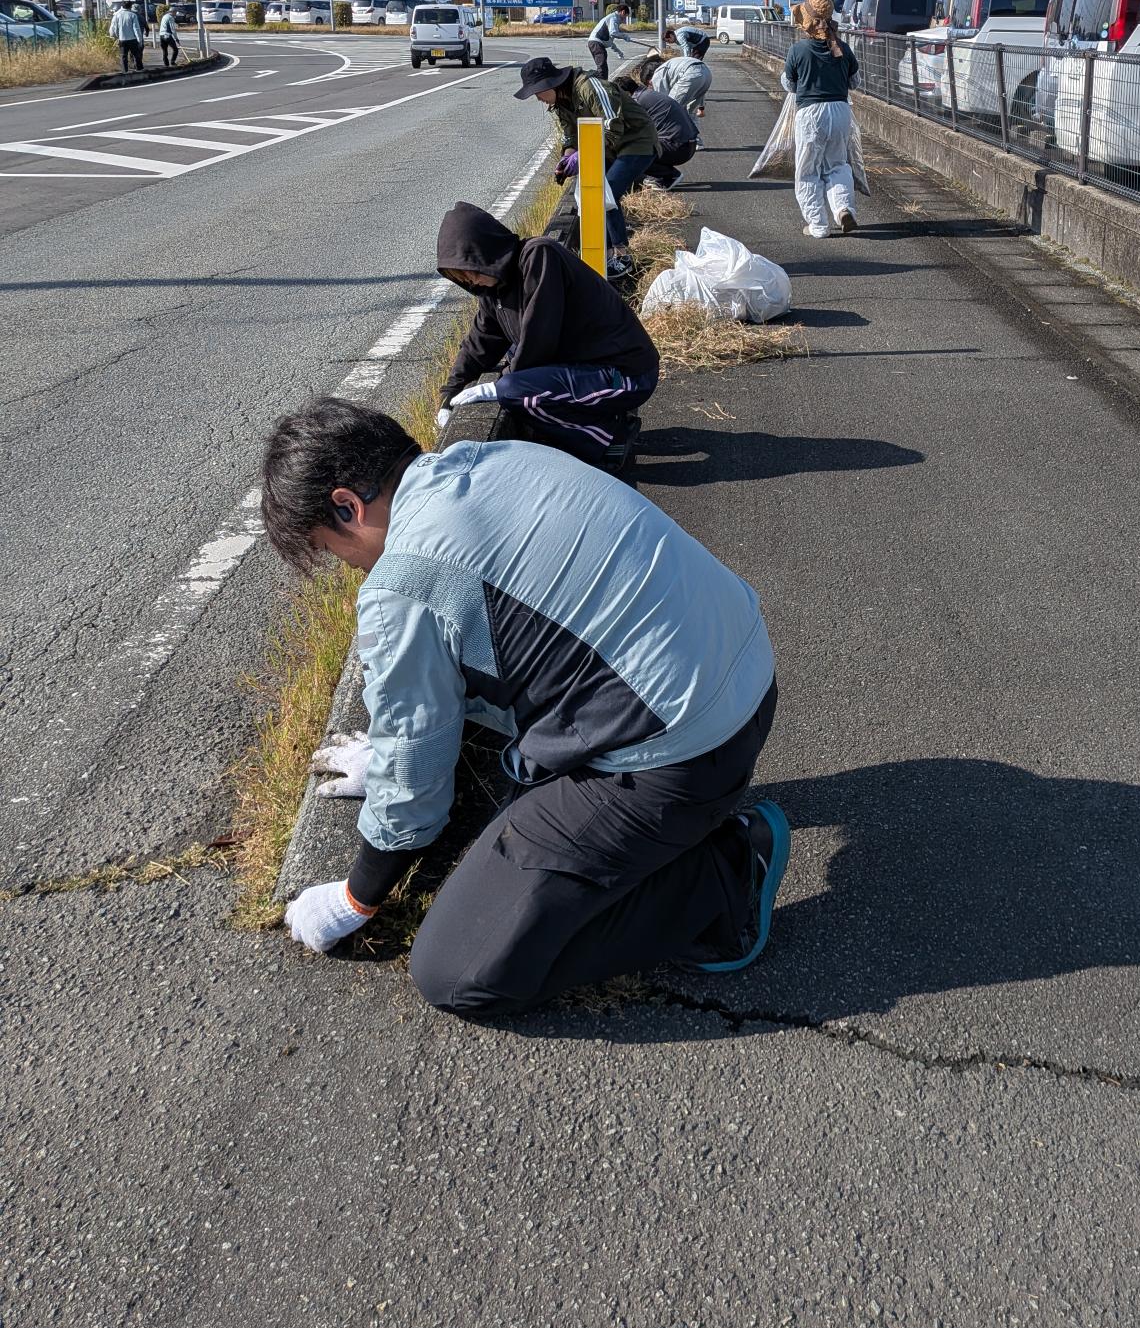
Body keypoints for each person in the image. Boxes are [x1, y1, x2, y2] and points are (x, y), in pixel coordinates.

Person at [264, 397, 791, 1018]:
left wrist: (356, 898)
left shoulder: (403, 580)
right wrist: (389, 754)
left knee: (457, 970)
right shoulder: (500, 457)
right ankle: (679, 833)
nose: (346, 566)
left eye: (331, 549)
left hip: (683, 754)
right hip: (747, 677)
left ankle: (722, 885)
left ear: (347, 506)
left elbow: (413, 790)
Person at [435, 200, 659, 461]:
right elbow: (480, 342)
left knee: (513, 390)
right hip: (592, 371)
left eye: (470, 272)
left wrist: (497, 386)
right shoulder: (493, 289)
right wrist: (450, 392)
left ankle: (610, 437)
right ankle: (603, 418)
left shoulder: (539, 255)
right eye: (462, 279)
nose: (471, 281)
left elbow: (539, 337)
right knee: (515, 385)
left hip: (628, 374)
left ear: (484, 253)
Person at [513, 56, 659, 269]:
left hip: (636, 142)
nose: (538, 98)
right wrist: (566, 159)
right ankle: (607, 253)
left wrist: (583, 155)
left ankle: (621, 255)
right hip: (610, 149)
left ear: (550, 84)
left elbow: (612, 126)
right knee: (601, 194)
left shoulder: (590, 87)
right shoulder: (561, 103)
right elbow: (570, 135)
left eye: (537, 92)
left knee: (605, 191)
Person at [782, 0, 860, 238]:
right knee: (838, 165)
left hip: (811, 114)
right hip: (840, 111)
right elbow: (855, 82)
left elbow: (791, 85)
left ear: (806, 22)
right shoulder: (842, 48)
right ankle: (843, 208)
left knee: (808, 171)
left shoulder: (798, 50)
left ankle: (818, 225)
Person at [616, 74, 699, 189]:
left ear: (625, 93)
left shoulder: (636, 102)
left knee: (634, 149)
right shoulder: (648, 94)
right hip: (686, 144)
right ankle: (663, 173)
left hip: (679, 147)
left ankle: (669, 176)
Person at [655, 27, 712, 119]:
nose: (669, 43)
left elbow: (685, 47)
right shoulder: (677, 36)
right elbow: (687, 48)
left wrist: (686, 60)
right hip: (698, 44)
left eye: (668, 40)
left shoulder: (680, 36)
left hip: (702, 42)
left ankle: (700, 104)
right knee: (693, 64)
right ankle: (699, 104)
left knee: (694, 65)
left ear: (671, 35)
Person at [587, 0, 637, 78]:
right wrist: (625, 36)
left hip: (595, 43)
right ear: (623, 12)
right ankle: (602, 85)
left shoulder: (613, 19)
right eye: (625, 17)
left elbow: (610, 42)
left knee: (602, 66)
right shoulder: (614, 18)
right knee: (602, 68)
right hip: (596, 43)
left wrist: (618, 52)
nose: (624, 20)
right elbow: (613, 33)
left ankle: (598, 81)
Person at [109, 0, 144, 73]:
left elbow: (114, 28)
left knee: (123, 56)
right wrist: (139, 40)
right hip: (132, 39)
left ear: (122, 7)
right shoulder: (133, 15)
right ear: (130, 7)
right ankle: (139, 69)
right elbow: (136, 29)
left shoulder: (117, 15)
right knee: (136, 55)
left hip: (122, 39)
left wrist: (115, 36)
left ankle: (125, 71)